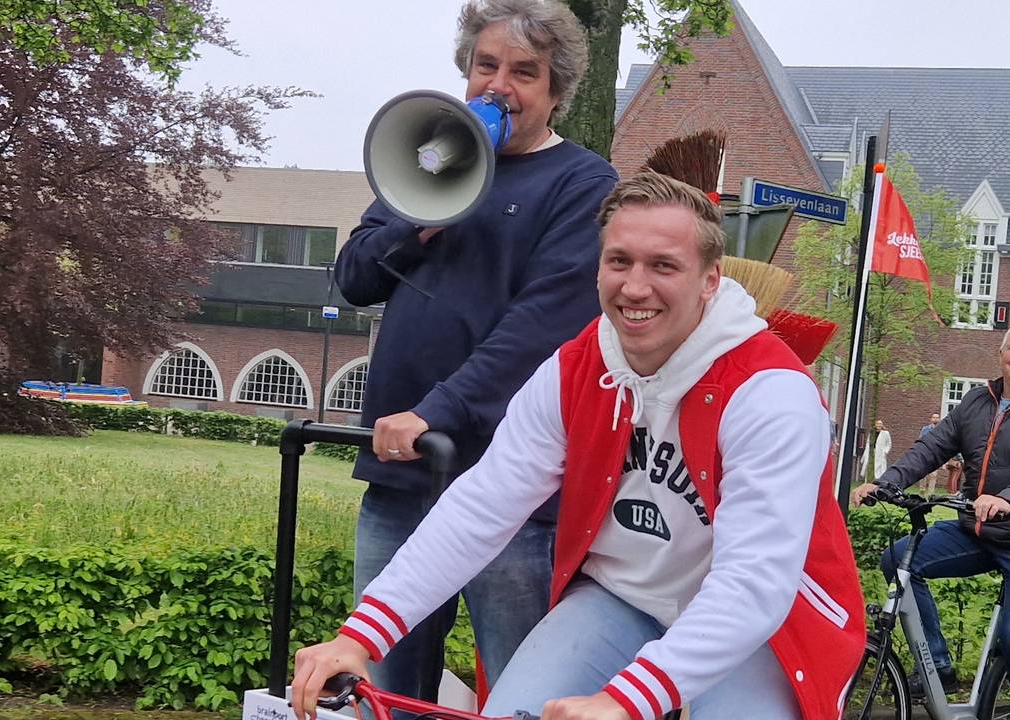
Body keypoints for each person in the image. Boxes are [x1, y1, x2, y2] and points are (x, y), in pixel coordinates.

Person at [291, 172, 867, 720]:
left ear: (710, 280)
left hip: (765, 626)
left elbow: (753, 583)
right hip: (624, 597)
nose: (634, 286)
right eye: (619, 261)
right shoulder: (574, 369)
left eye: (663, 265)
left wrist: (627, 699)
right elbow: (483, 504)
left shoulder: (770, 393)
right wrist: (360, 634)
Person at [333, 0, 619, 702]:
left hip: (512, 495)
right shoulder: (427, 161)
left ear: (556, 93)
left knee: (520, 690)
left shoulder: (582, 185)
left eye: (525, 72)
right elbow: (355, 276)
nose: (499, 85)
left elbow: (538, 333)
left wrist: (436, 413)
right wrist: (417, 218)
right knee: (385, 687)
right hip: (402, 478)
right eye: (486, 65)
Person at [850, 320, 1010, 720]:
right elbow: (932, 448)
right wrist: (884, 484)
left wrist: (1009, 499)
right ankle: (939, 664)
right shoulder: (977, 402)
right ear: (1001, 354)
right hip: (979, 530)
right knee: (899, 560)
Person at [920, 413, 942, 495]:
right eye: (934, 417)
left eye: (937, 418)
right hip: (926, 453)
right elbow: (921, 440)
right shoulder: (925, 429)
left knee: (933, 475)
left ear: (939, 419)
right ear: (931, 419)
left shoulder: (941, 429)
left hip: (935, 455)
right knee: (923, 473)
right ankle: (922, 490)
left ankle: (930, 493)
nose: (935, 419)